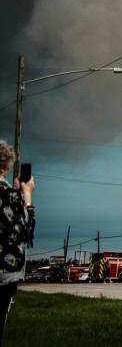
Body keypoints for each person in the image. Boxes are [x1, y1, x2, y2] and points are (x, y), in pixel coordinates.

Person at [0, 139, 35, 340]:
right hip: (4, 272)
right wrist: (26, 195)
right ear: (5, 166)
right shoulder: (9, 196)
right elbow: (25, 227)